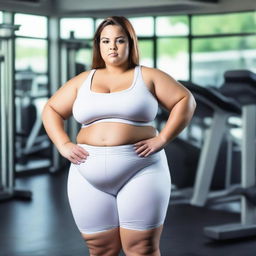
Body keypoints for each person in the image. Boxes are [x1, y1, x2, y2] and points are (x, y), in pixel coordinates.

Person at [42, 16, 196, 256]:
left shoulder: (147, 76)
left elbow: (185, 101)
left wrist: (162, 139)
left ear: (131, 44)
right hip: (86, 172)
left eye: (119, 40)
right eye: (105, 41)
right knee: (100, 249)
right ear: (99, 46)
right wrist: (63, 144)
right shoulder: (83, 80)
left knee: (141, 248)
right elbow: (51, 109)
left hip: (140, 169)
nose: (112, 46)